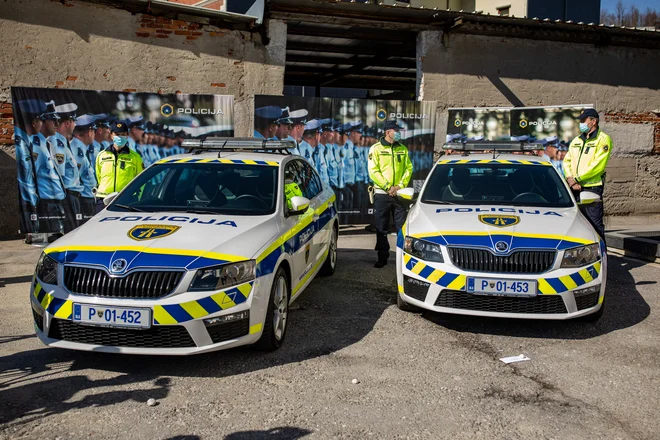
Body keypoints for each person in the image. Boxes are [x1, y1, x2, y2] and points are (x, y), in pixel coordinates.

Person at [368, 120, 413, 268]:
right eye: (396, 130)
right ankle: (382, 257)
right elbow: (373, 171)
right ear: (388, 132)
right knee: (381, 228)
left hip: (400, 194)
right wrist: (388, 187)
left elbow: (408, 168)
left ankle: (403, 258)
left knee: (402, 228)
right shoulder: (375, 149)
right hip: (382, 194)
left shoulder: (403, 148)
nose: (399, 132)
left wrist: (399, 186)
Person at [563, 108, 613, 240]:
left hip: (592, 188)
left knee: (594, 226)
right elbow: (567, 161)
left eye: (583, 120)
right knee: (574, 225)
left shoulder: (603, 140)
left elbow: (597, 166)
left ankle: (602, 258)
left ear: (593, 121)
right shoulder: (576, 141)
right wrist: (570, 178)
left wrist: (577, 179)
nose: (581, 124)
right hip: (573, 188)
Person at [48, 103, 84, 233]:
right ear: (68, 123)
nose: (75, 125)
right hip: (67, 196)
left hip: (71, 196)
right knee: (71, 234)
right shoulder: (57, 143)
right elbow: (60, 175)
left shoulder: (63, 142)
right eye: (74, 121)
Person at [95, 121, 144, 212]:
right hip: (103, 199)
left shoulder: (135, 157)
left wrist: (136, 197)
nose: (120, 137)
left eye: (123, 134)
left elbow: (141, 179)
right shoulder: (101, 155)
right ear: (111, 135)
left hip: (125, 200)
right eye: (117, 134)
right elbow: (99, 176)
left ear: (127, 135)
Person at [32, 105, 66, 234]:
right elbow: (31, 177)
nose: (57, 124)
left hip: (55, 203)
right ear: (42, 122)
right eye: (53, 120)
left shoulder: (47, 144)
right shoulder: (36, 146)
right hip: (46, 204)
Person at [15, 100, 44, 234]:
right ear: (34, 122)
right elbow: (25, 178)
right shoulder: (20, 142)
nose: (42, 124)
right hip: (27, 201)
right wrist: (34, 201)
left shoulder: (25, 139)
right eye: (40, 120)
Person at [70, 115, 98, 221]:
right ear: (89, 132)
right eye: (93, 130)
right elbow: (76, 178)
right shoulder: (77, 151)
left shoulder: (82, 148)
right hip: (83, 200)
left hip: (87, 199)